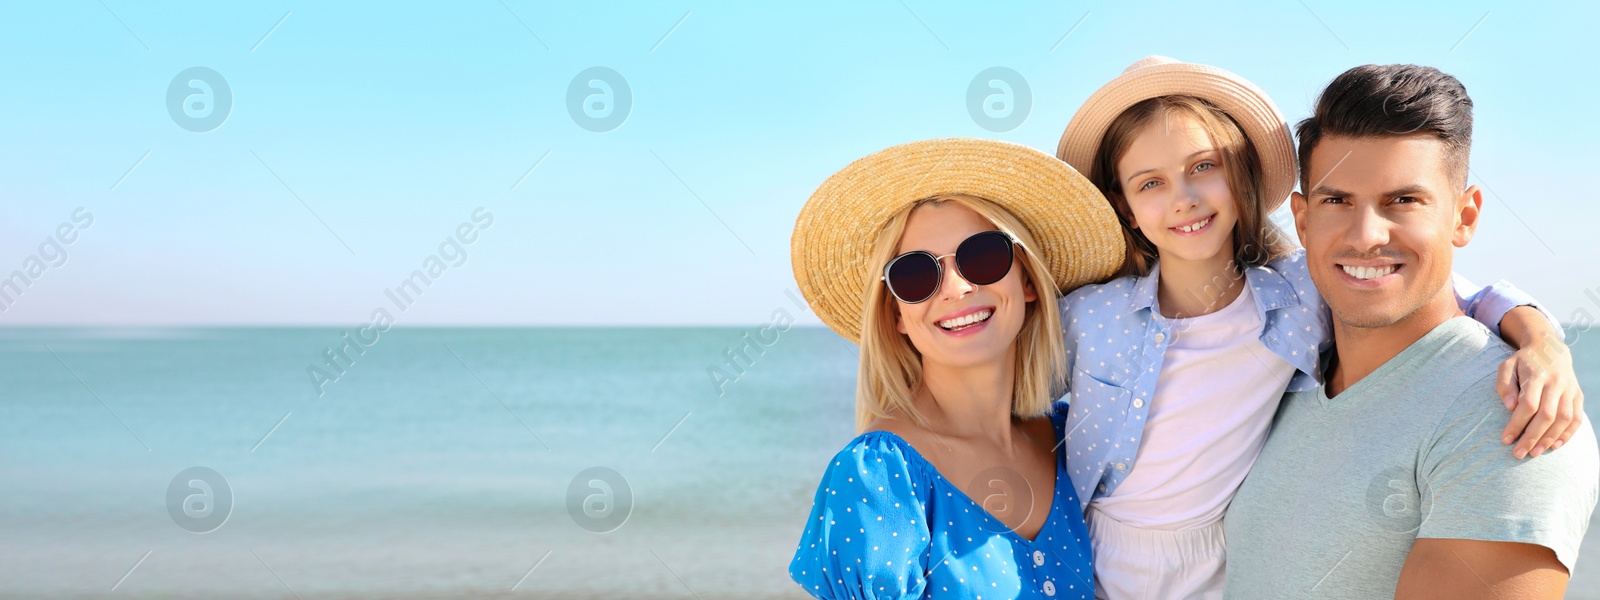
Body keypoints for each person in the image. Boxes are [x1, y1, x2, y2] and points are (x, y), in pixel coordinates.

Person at [1049, 56, 1584, 598]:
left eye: (1203, 167)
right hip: (1090, 552)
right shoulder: (1089, 315)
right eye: (1151, 183)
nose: (1184, 197)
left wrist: (1541, 337)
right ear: (1125, 205)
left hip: (1208, 568)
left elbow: (1454, 290)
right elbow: (1009, 402)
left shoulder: (1294, 299)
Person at [1223, 63, 1599, 598]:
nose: (1366, 235)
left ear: (1463, 217)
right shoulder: (1285, 373)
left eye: (1403, 201)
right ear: (1302, 220)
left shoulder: (1514, 415)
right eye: (1337, 200)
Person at [787, 138, 1126, 598]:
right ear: (896, 315)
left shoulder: (1073, 438)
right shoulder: (882, 475)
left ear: (1026, 278)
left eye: (983, 255)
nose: (957, 288)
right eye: (916, 275)